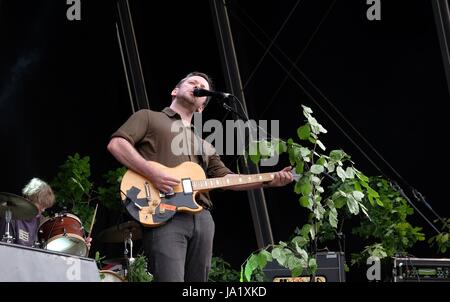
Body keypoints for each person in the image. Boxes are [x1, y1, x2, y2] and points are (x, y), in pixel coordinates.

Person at [107, 71, 294, 282]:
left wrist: (269, 180)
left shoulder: (205, 145)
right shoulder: (149, 117)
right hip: (162, 213)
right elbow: (117, 144)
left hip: (202, 217)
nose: (197, 85)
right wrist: (153, 172)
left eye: (202, 86)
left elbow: (227, 179)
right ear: (175, 91)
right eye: (191, 82)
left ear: (202, 105)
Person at [0, 178, 56, 247]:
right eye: (41, 205)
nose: (43, 210)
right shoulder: (12, 216)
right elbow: (5, 249)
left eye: (45, 207)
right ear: (29, 199)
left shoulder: (42, 222)